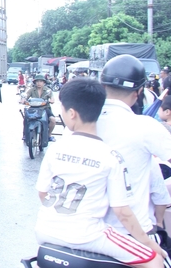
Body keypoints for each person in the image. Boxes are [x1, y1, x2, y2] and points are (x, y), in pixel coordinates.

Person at [35, 78, 165, 267]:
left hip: (45, 230)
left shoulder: (56, 149)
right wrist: (149, 243)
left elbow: (42, 193)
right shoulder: (110, 156)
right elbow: (122, 212)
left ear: (71, 113)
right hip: (87, 235)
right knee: (155, 260)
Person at [97, 55, 171, 260]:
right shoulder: (146, 126)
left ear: (103, 87)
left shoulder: (82, 124)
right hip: (132, 235)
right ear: (139, 92)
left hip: (87, 232)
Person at [22, 75, 57, 142]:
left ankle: (49, 135)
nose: (39, 83)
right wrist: (23, 100)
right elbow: (26, 96)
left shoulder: (47, 90)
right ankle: (25, 134)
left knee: (52, 120)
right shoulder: (31, 90)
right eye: (37, 81)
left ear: (44, 82)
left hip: (45, 108)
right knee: (26, 119)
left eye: (41, 81)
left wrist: (51, 100)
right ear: (35, 82)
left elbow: (52, 98)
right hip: (33, 109)